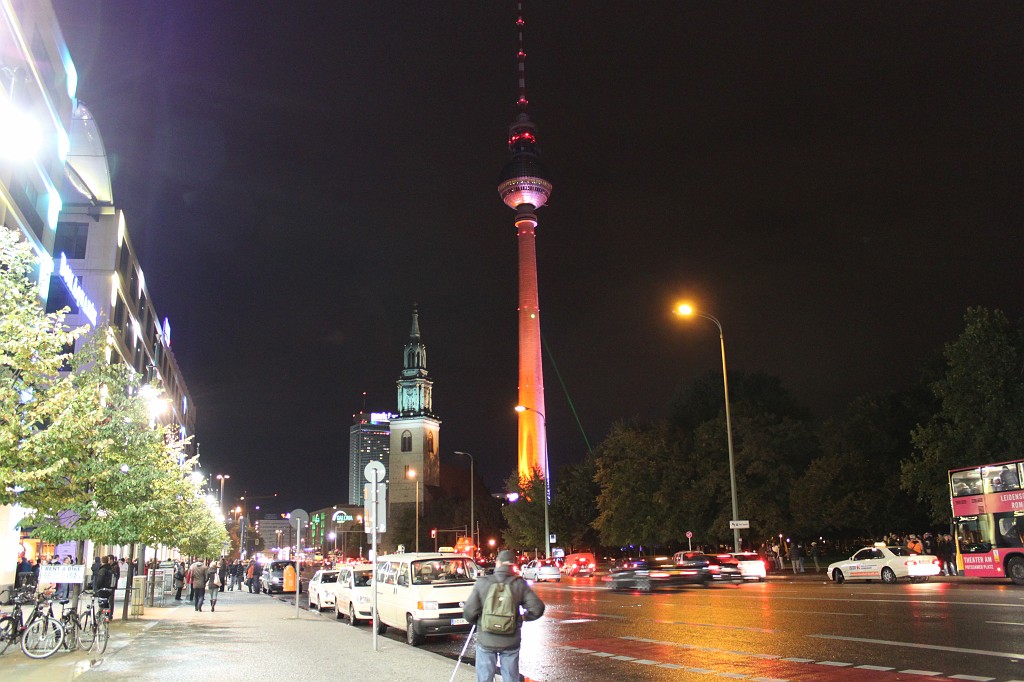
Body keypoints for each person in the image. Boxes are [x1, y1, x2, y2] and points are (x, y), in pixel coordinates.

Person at [463, 549, 545, 682]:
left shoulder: (483, 582)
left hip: (486, 639)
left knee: (484, 678)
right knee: (511, 677)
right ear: (513, 565)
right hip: (510, 640)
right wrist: (523, 618)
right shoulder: (519, 584)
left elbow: (468, 612)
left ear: (498, 563)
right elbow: (537, 608)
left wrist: (479, 621)